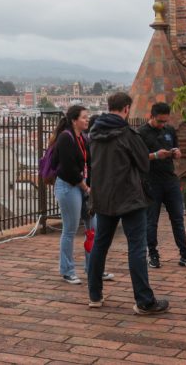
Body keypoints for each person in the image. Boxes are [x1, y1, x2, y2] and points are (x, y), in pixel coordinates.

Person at [86, 92, 169, 315]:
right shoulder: (126, 133)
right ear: (126, 109)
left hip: (104, 197)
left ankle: (95, 295)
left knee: (100, 245)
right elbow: (143, 162)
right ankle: (143, 300)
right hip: (129, 198)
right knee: (136, 247)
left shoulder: (93, 133)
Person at [137, 102, 186, 270]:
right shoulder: (141, 133)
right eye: (159, 121)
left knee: (178, 218)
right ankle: (152, 253)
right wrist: (155, 155)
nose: (162, 125)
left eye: (165, 121)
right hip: (151, 181)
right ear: (151, 117)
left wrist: (177, 153)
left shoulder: (169, 130)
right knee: (151, 220)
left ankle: (185, 254)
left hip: (170, 179)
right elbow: (137, 158)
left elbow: (176, 147)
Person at [50, 105, 113, 285]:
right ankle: (67, 270)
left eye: (87, 117)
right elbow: (68, 168)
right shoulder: (66, 138)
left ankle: (93, 268)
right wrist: (86, 187)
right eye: (84, 117)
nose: (87, 120)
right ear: (74, 120)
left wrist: (90, 186)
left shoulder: (83, 138)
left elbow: (89, 164)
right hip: (69, 186)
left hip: (83, 186)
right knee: (70, 230)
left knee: (93, 228)